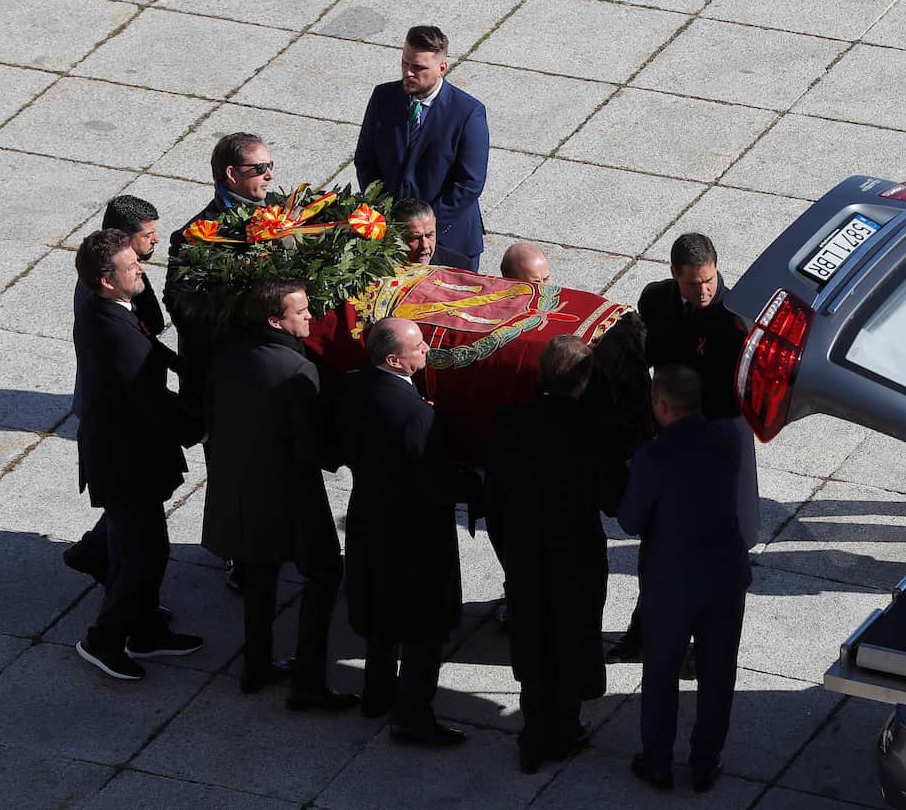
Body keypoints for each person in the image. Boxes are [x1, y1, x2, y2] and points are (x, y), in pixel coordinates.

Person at [201, 279, 353, 712]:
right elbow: (311, 448)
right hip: (290, 491)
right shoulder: (296, 369)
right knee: (324, 574)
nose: (310, 317)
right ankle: (307, 682)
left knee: (259, 572)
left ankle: (256, 665)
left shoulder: (229, 351)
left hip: (240, 484)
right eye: (301, 311)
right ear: (275, 320)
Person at [608, 233, 757, 664]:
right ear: (675, 276)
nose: (704, 290)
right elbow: (645, 355)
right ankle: (643, 630)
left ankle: (699, 645)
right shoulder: (656, 300)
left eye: (709, 280)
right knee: (657, 544)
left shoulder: (737, 316)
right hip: (670, 439)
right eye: (693, 283)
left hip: (717, 444)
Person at [483, 335, 626, 773]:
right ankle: (563, 728)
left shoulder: (508, 421)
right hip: (575, 552)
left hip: (526, 551)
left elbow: (494, 498)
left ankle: (534, 730)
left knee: (532, 635)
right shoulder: (595, 427)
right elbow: (612, 499)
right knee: (571, 634)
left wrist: (509, 551)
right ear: (583, 379)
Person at [72, 229, 202, 680]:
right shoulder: (115, 332)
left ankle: (145, 630)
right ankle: (103, 639)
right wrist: (200, 422)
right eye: (132, 267)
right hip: (127, 463)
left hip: (125, 455)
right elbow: (151, 402)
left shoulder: (106, 309)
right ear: (108, 281)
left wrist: (188, 366)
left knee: (141, 549)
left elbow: (150, 343)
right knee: (143, 556)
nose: (142, 268)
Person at [617, 365, 751, 793]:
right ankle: (704, 763)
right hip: (724, 576)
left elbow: (630, 521)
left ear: (661, 405)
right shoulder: (729, 439)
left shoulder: (653, 456)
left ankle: (657, 762)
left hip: (671, 583)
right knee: (718, 674)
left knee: (660, 673)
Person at [336, 318, 465, 746]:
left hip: (371, 519)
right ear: (395, 359)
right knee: (424, 627)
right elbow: (436, 482)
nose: (427, 349)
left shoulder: (353, 388)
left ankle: (376, 695)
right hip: (415, 535)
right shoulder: (416, 416)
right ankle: (412, 717)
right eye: (418, 346)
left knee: (382, 615)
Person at [65, 195, 175, 585]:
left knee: (129, 512)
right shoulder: (110, 295)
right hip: (115, 416)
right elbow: (142, 338)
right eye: (147, 236)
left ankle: (95, 552)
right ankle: (109, 577)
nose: (155, 242)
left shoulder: (112, 276)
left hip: (113, 404)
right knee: (136, 526)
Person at [355, 25, 489, 272]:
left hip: (450, 242)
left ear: (441, 67)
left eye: (418, 68)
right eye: (405, 63)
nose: (408, 73)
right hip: (392, 239)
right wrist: (389, 216)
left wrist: (422, 225)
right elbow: (365, 160)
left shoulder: (467, 113)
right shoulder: (383, 97)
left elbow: (469, 183)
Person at [164, 132, 275, 414]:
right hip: (227, 368)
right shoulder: (197, 236)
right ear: (231, 173)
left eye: (270, 165)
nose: (269, 175)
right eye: (260, 168)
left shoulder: (279, 208)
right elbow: (178, 304)